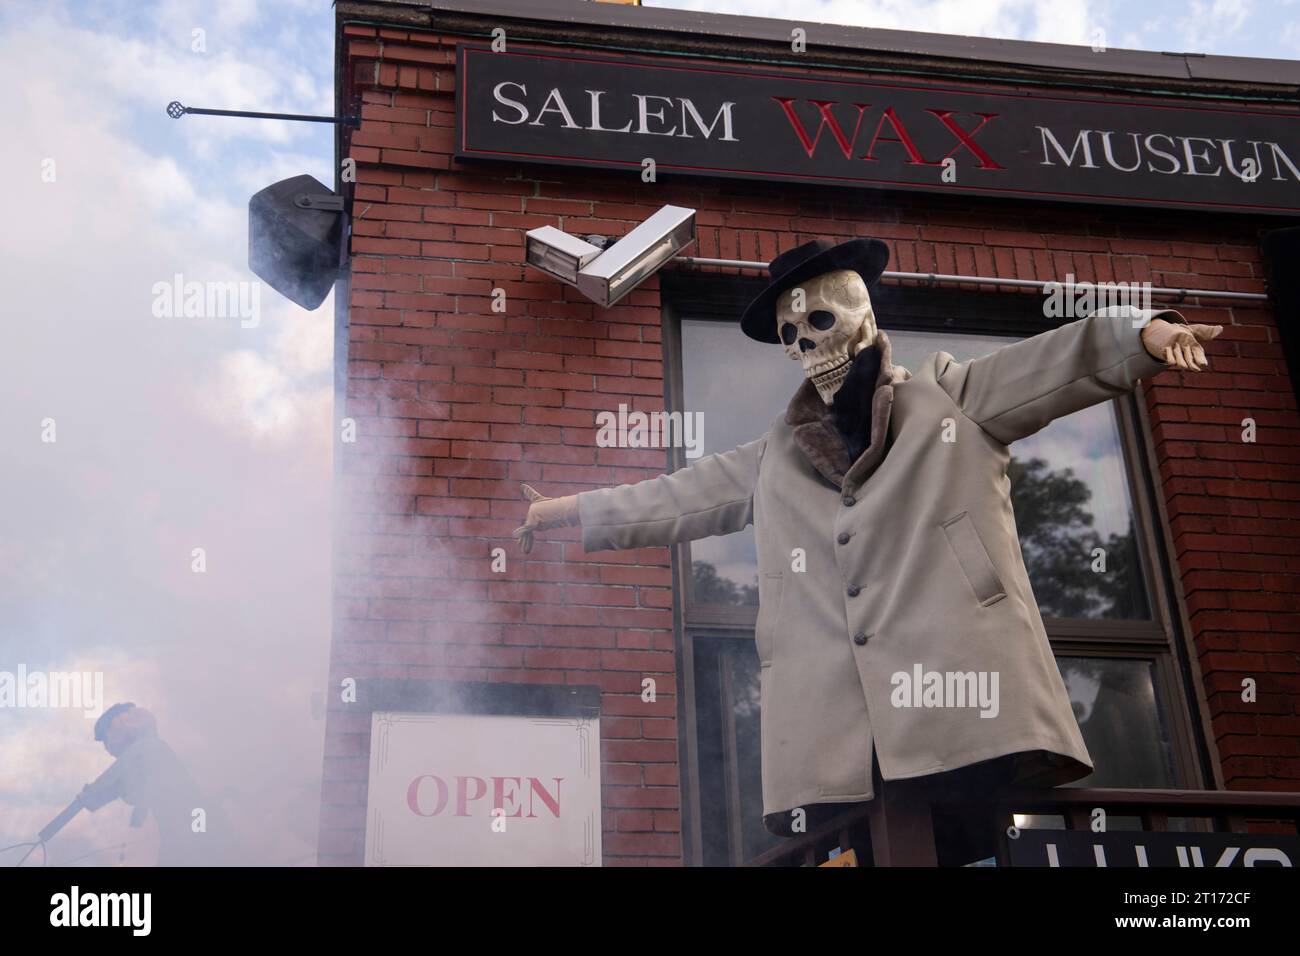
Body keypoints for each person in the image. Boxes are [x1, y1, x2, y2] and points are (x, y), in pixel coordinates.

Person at [90, 702, 236, 866]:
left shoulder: (147, 747)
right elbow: (133, 792)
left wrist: (90, 794)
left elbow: (116, 779)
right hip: (184, 831)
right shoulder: (149, 752)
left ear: (120, 725)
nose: (107, 747)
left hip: (191, 829)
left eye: (106, 736)